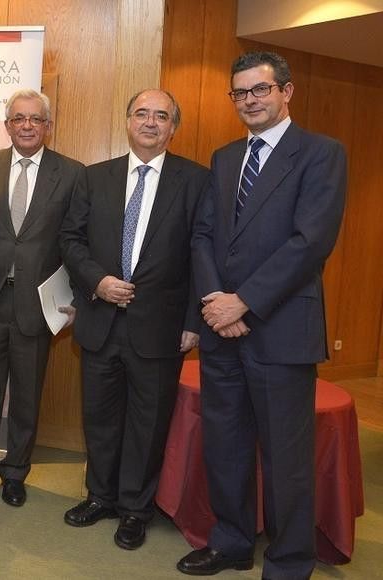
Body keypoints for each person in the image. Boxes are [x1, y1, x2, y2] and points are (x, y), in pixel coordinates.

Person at [178, 51, 346, 579]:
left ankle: (290, 561)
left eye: (260, 90)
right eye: (240, 93)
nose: (249, 100)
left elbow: (309, 243)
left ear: (286, 92)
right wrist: (214, 303)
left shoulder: (321, 154)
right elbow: (203, 235)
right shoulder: (225, 157)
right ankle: (230, 544)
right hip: (222, 331)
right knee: (224, 447)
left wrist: (242, 301)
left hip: (281, 331)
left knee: (285, 460)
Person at [59, 89, 207, 550]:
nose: (150, 122)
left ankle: (134, 509)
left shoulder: (196, 181)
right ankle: (100, 496)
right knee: (100, 417)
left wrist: (193, 320)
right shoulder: (94, 177)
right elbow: (71, 240)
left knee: (148, 422)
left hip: (161, 327)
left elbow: (203, 255)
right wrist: (96, 282)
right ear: (127, 121)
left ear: (172, 127)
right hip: (101, 318)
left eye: (161, 116)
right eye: (142, 113)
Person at [0, 89, 83, 507]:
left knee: (27, 395)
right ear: (7, 124)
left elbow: (78, 240)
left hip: (37, 304)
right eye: (19, 119)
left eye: (36, 120)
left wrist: (78, 296)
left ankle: (15, 474)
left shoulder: (72, 173)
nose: (27, 126)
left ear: (48, 125)